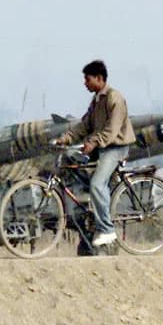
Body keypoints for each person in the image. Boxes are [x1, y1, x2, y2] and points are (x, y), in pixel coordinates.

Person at [55, 60, 135, 246]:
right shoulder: (97, 99)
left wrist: (93, 142)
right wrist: (65, 138)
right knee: (71, 160)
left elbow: (112, 130)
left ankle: (107, 230)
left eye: (87, 79)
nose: (85, 83)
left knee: (98, 183)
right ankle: (95, 204)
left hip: (115, 147)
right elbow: (85, 125)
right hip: (102, 147)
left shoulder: (115, 98)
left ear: (99, 78)